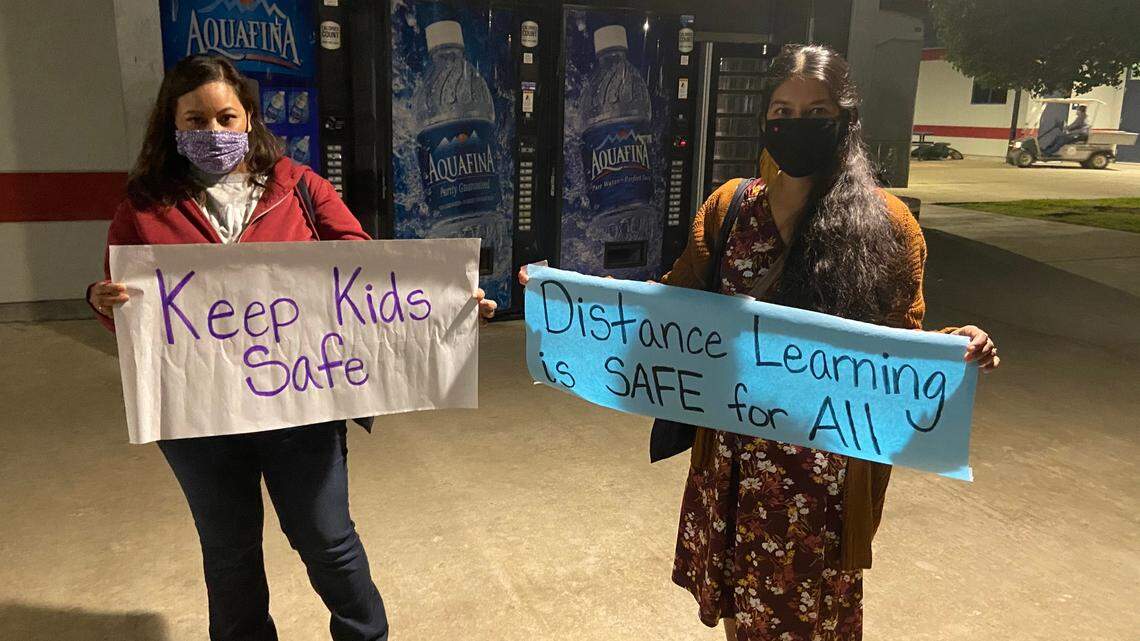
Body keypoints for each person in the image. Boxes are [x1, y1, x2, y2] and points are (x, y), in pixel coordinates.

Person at [523, 43, 999, 641]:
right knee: (738, 619)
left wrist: (957, 345)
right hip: (729, 467)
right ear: (765, 121)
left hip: (820, 485)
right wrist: (565, 298)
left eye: (816, 113)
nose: (796, 126)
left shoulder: (887, 226)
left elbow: (899, 342)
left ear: (846, 121)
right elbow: (668, 309)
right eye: (782, 111)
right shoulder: (729, 209)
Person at [87, 55, 497, 641]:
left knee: (327, 539)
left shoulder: (299, 187)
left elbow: (367, 275)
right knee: (228, 554)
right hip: (197, 415)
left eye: (226, 117)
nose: (213, 133)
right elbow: (126, 310)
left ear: (249, 118)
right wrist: (104, 302)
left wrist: (446, 309)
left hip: (299, 402)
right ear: (171, 125)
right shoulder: (143, 206)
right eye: (195, 120)